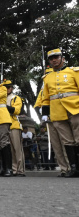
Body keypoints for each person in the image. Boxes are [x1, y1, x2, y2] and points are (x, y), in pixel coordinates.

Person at [41, 48, 79, 177]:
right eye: (51, 59)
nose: (54, 60)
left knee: (78, 139)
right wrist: (45, 113)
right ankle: (74, 168)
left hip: (75, 109)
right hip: (57, 112)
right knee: (67, 141)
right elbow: (46, 97)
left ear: (62, 58)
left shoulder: (74, 72)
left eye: (56, 57)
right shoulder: (47, 77)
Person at [34, 88, 70, 177]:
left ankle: (71, 166)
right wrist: (43, 112)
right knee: (56, 146)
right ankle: (64, 169)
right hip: (50, 119)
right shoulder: (42, 91)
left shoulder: (60, 85)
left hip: (62, 117)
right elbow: (37, 104)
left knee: (66, 143)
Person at [3, 80, 26, 177]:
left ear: (11, 88)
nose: (7, 89)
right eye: (5, 88)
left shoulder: (16, 98)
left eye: (8, 87)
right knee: (10, 150)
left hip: (14, 125)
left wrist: (4, 106)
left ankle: (20, 170)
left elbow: (16, 110)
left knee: (17, 148)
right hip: (4, 125)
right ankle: (14, 169)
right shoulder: (1, 99)